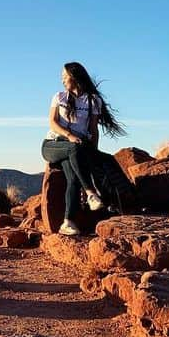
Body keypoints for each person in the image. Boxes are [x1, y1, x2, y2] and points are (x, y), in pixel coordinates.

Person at [41, 62, 126, 236]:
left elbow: (93, 129)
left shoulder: (93, 101)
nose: (62, 80)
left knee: (73, 178)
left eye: (65, 76)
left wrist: (92, 152)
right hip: (52, 145)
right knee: (74, 149)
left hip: (76, 148)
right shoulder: (59, 97)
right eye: (62, 77)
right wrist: (69, 135)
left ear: (75, 76)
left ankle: (68, 222)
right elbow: (52, 122)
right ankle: (91, 192)